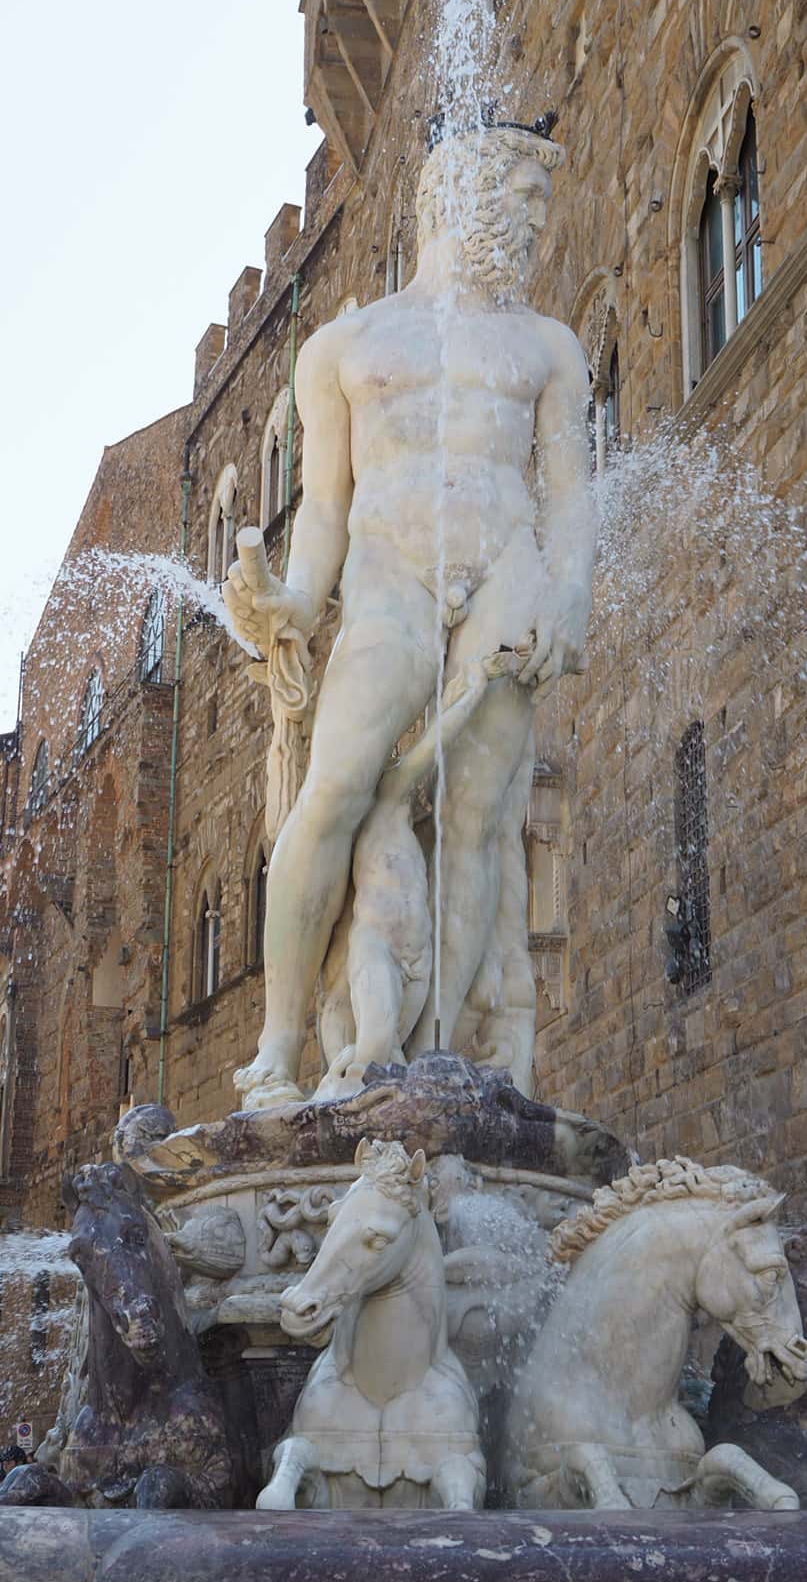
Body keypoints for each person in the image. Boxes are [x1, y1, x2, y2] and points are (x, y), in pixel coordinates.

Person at [225, 113, 595, 1108]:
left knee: (482, 818)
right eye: (513, 202)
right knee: (334, 791)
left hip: (507, 567)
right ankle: (280, 1045)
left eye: (537, 210)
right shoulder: (343, 346)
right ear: (446, 196)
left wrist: (571, 594)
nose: (529, 225)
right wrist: (296, 600)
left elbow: (571, 494)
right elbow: (329, 509)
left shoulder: (549, 346)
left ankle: (435, 1053)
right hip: (389, 575)